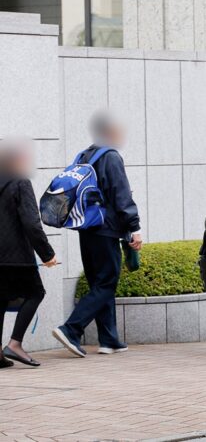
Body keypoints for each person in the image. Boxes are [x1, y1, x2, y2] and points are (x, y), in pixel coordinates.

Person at [53, 112, 141, 358]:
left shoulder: (84, 156)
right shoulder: (111, 157)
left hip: (86, 228)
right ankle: (71, 329)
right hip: (106, 229)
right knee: (106, 282)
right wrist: (134, 227)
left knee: (99, 283)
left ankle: (109, 339)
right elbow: (121, 195)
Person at [0, 139, 57, 368]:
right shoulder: (20, 182)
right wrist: (47, 254)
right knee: (36, 293)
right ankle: (15, 344)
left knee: (0, 301)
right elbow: (32, 223)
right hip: (17, 257)